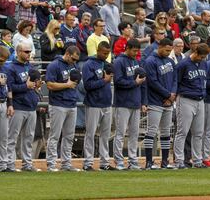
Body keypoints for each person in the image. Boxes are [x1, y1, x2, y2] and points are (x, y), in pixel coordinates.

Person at [6, 42, 41, 172]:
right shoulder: (11, 68)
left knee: (28, 138)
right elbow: (9, 88)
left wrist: (36, 86)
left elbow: (32, 86)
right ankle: (10, 163)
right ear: (18, 52)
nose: (28, 54)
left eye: (30, 52)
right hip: (18, 106)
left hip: (31, 106)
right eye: (26, 52)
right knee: (12, 137)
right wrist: (25, 86)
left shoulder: (30, 67)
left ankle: (27, 163)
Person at [173, 43, 210, 169]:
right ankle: (179, 160)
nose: (203, 59)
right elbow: (175, 81)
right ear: (196, 53)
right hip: (185, 99)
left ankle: (197, 160)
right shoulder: (183, 64)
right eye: (201, 56)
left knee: (198, 133)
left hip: (200, 100)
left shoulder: (204, 63)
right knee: (182, 132)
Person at [45, 46, 81, 172]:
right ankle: (51, 163)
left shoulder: (74, 66)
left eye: (76, 59)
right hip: (58, 104)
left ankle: (66, 163)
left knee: (69, 136)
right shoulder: (54, 65)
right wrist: (66, 85)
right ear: (67, 54)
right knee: (55, 135)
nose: (74, 61)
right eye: (73, 58)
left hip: (71, 104)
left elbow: (75, 84)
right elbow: (49, 84)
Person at [113, 39, 147, 170]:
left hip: (135, 102)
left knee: (134, 134)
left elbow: (143, 83)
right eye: (134, 50)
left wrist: (143, 102)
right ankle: (119, 160)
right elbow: (118, 81)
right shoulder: (119, 61)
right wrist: (135, 83)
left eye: (137, 50)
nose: (136, 53)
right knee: (120, 133)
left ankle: (133, 160)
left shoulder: (136, 61)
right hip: (122, 102)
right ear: (127, 48)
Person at [143, 38, 177, 170]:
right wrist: (168, 95)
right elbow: (152, 81)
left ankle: (164, 161)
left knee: (165, 132)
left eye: (170, 50)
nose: (169, 53)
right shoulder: (150, 61)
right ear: (160, 47)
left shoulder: (170, 61)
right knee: (151, 131)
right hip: (155, 100)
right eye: (167, 50)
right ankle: (149, 162)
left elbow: (175, 80)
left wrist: (172, 95)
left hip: (168, 102)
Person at [82, 41, 115, 171]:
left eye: (108, 53)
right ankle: (88, 163)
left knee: (105, 135)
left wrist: (106, 81)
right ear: (98, 50)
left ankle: (104, 162)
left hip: (107, 103)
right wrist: (104, 80)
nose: (106, 55)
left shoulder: (108, 64)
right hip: (93, 103)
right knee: (90, 133)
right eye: (104, 53)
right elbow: (88, 85)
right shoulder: (88, 64)